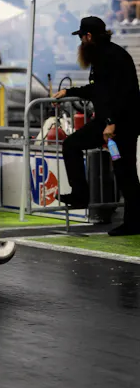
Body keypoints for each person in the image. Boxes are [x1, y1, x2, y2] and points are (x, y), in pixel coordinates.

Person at [52, 16, 140, 236]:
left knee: (125, 171)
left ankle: (133, 221)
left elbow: (121, 94)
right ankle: (81, 195)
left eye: (81, 37)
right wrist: (69, 92)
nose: (80, 42)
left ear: (89, 36)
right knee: (74, 146)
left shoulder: (110, 57)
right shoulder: (105, 54)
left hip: (119, 125)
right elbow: (97, 90)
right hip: (111, 123)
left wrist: (111, 123)